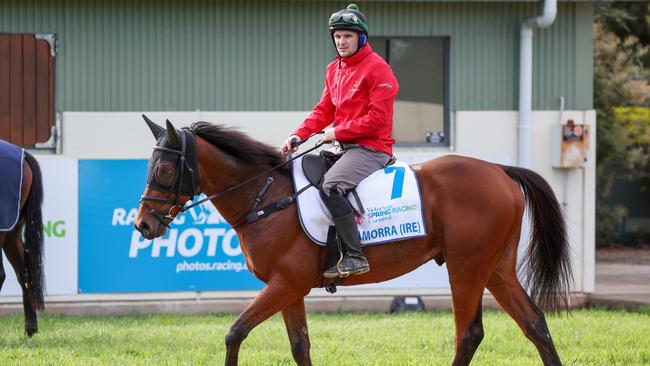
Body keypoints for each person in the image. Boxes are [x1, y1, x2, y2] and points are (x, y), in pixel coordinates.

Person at [280, 4, 399, 278]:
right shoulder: (334, 69)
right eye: (337, 36)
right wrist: (299, 134)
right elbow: (324, 110)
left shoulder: (378, 69)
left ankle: (355, 257)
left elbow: (379, 119)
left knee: (332, 186)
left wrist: (339, 132)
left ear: (361, 38)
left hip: (372, 149)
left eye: (347, 36)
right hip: (341, 148)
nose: (342, 41)